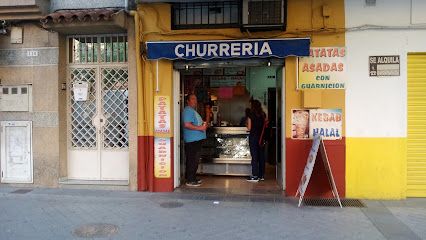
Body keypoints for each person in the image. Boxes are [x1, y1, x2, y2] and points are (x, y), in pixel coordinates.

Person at [183, 94, 208, 187]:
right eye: (193, 99)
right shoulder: (188, 111)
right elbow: (187, 124)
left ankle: (192, 177)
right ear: (188, 101)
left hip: (195, 140)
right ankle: (190, 180)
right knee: (192, 160)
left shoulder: (192, 111)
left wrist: (203, 126)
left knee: (194, 160)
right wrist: (200, 128)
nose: (195, 101)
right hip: (192, 141)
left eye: (196, 99)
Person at [246, 99, 267, 182]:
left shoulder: (251, 115)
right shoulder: (263, 115)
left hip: (254, 137)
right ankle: (261, 175)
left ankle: (254, 175)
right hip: (261, 138)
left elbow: (249, 128)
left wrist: (246, 124)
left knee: (254, 157)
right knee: (261, 156)